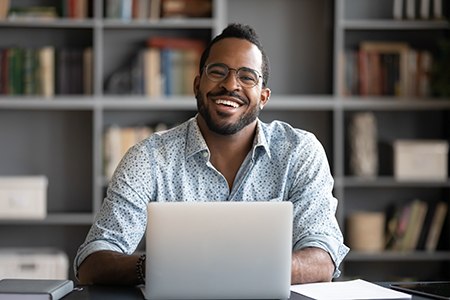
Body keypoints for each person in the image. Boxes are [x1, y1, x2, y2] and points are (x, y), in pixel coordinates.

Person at [74, 23, 349, 286]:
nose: (231, 85)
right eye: (218, 71)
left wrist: (239, 268)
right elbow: (92, 262)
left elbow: (323, 257)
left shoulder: (299, 151)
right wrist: (155, 266)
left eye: (247, 76)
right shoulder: (148, 157)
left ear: (263, 97)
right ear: (197, 85)